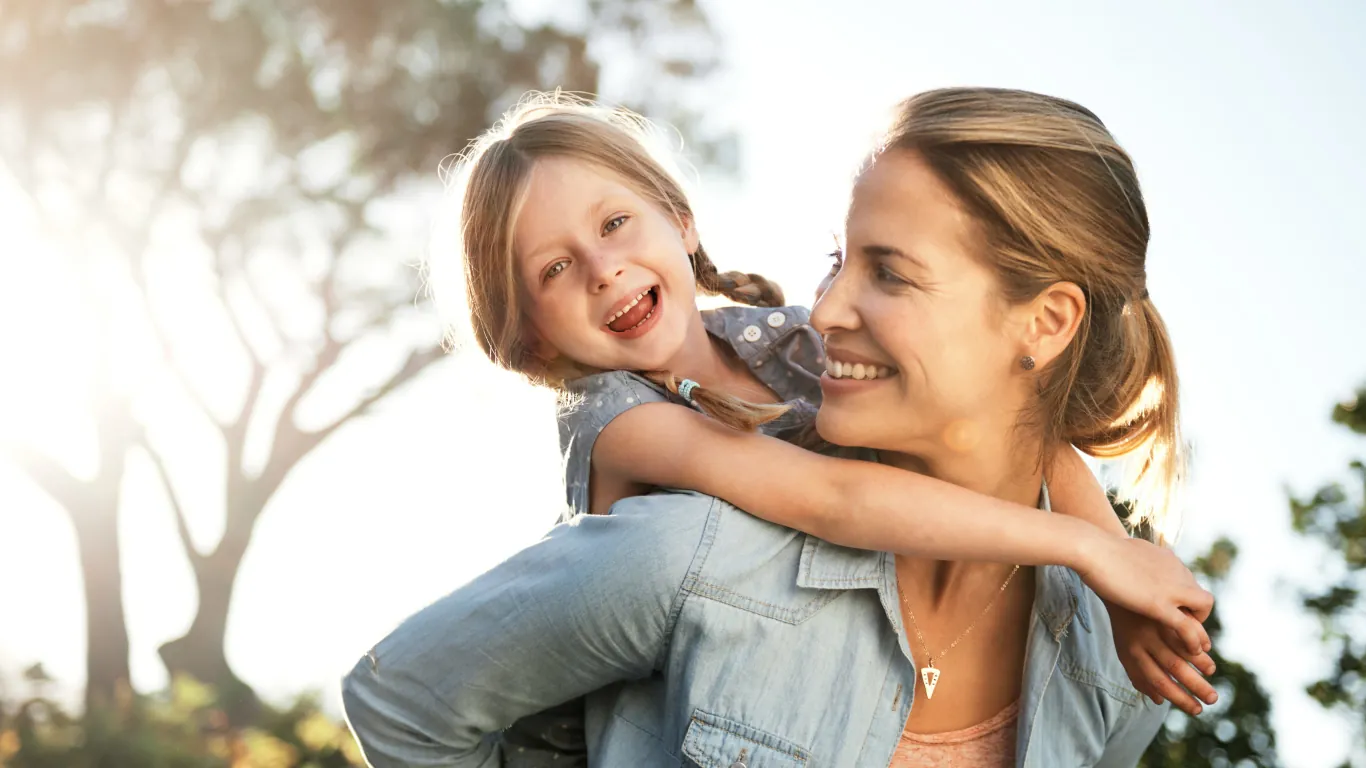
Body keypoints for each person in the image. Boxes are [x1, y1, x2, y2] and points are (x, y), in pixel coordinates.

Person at [343, 88, 1214, 767]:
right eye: (557, 269)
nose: (605, 270)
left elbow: (1039, 442)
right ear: (529, 330)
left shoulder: (780, 343)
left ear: (680, 221)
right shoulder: (625, 429)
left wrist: (1119, 578)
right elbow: (831, 496)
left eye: (614, 224)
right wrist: (1086, 550)